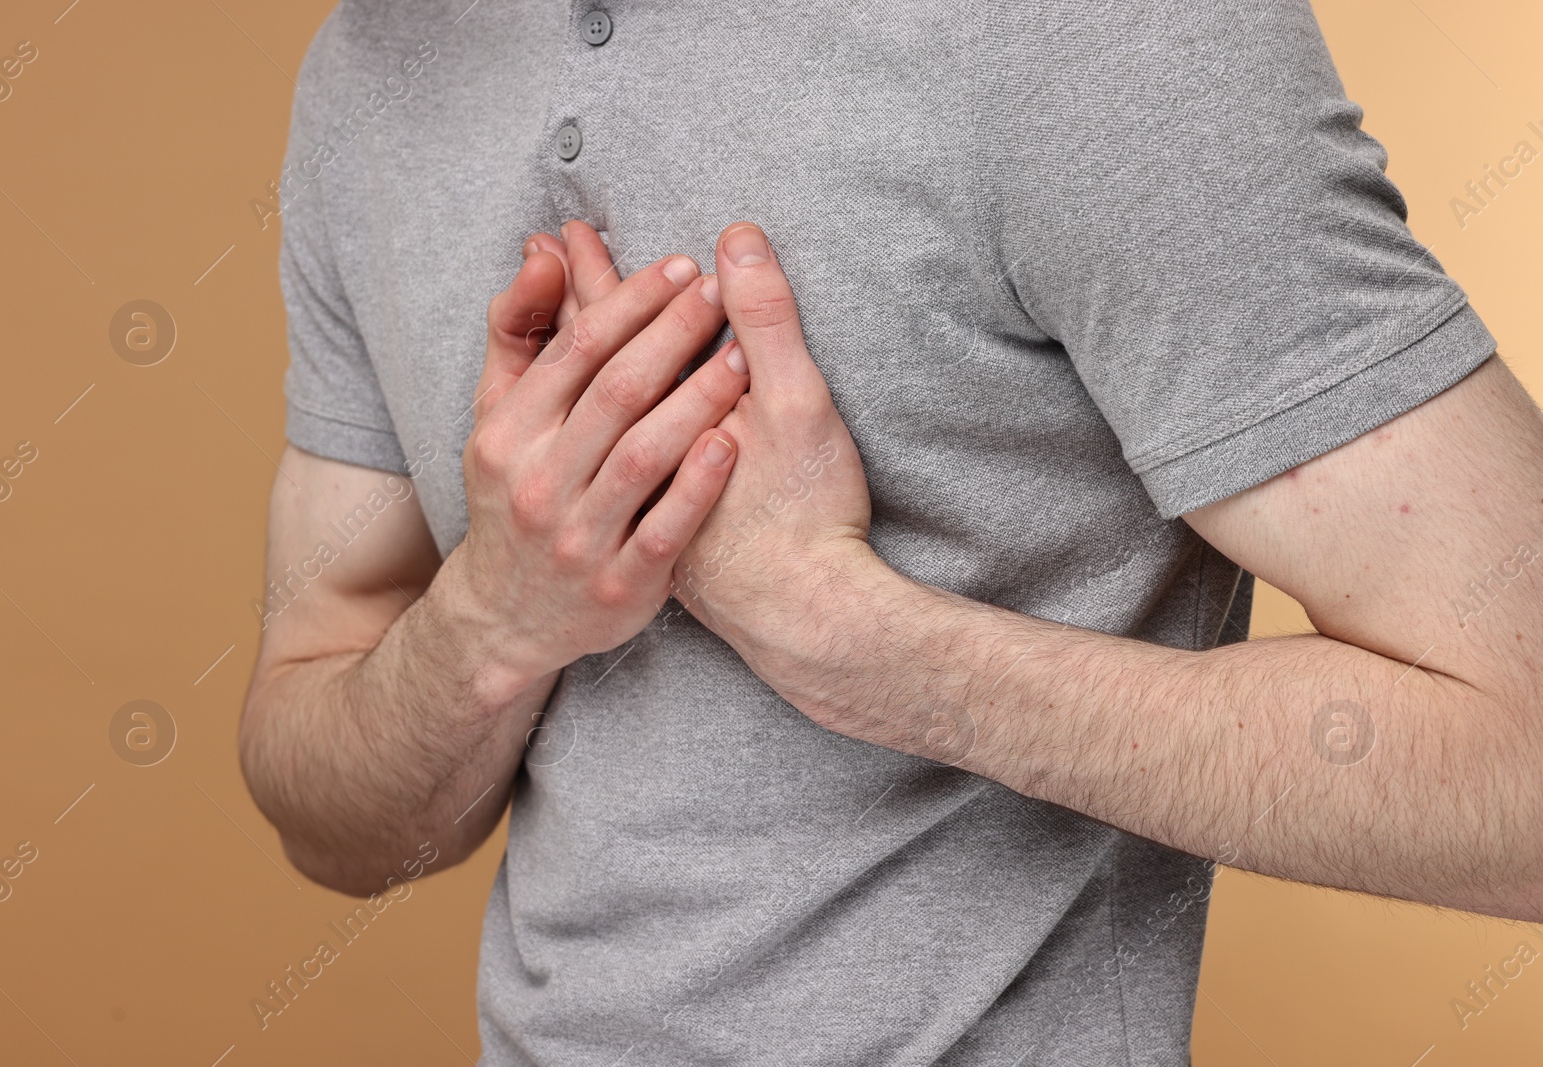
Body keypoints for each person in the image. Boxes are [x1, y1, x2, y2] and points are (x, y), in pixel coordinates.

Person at [237, 1, 1543, 1062]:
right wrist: (494, 620)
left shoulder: (1091, 34)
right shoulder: (366, 68)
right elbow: (329, 818)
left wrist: (856, 638)